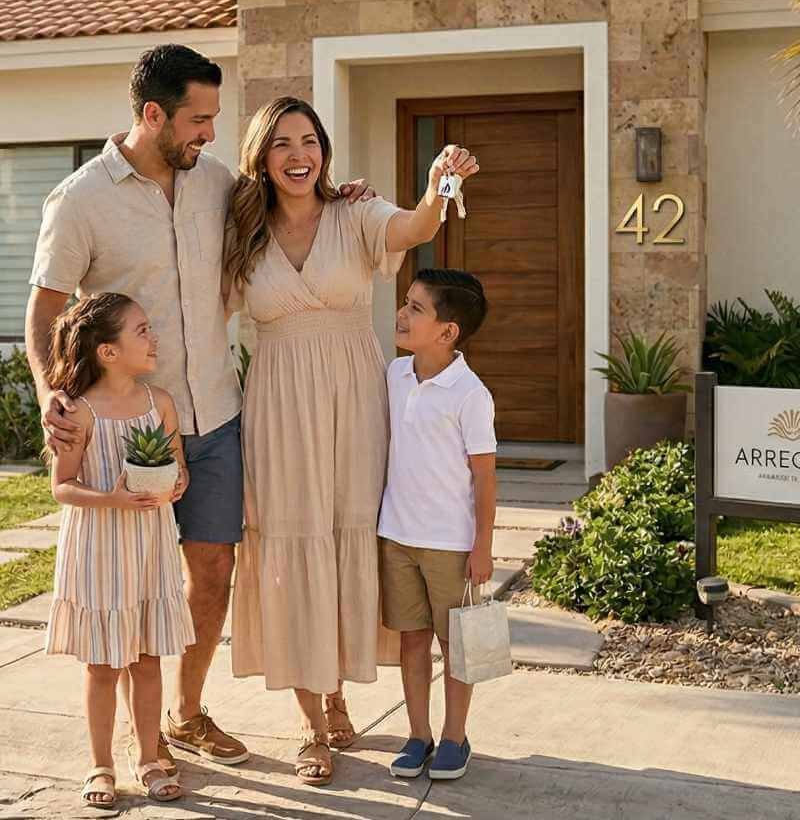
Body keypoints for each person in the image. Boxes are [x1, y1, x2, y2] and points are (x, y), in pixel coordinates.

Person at [24, 45, 374, 774]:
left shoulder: (219, 184)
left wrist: (342, 198)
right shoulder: (81, 198)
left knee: (211, 571)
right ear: (152, 115)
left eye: (213, 119)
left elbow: (291, 202)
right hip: (125, 430)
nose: (210, 134)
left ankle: (185, 714)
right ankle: (133, 739)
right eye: (197, 119)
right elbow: (46, 308)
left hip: (214, 416)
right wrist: (51, 390)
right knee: (132, 587)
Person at [224, 96, 479, 786]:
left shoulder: (356, 214)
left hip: (355, 403)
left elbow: (417, 225)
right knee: (291, 542)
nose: (298, 155)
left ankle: (336, 689)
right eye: (281, 144)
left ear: (325, 151)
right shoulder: (239, 232)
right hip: (279, 406)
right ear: (261, 157)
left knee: (351, 542)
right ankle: (312, 725)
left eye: (309, 141)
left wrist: (437, 183)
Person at [45, 292, 195, 808]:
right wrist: (110, 498)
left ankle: (149, 757)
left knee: (149, 657)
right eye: (142, 331)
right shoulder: (79, 412)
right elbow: (61, 487)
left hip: (150, 547)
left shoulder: (162, 403)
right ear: (108, 352)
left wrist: (176, 484)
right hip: (100, 551)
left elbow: (178, 467)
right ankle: (100, 763)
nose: (153, 339)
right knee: (103, 666)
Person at [378, 269, 497, 782]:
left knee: (456, 645)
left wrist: (482, 546)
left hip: (449, 542)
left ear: (447, 332)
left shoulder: (470, 394)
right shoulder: (394, 375)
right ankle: (418, 734)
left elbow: (485, 479)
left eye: (416, 308)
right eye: (405, 304)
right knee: (411, 639)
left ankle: (454, 736)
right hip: (397, 536)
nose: (402, 315)